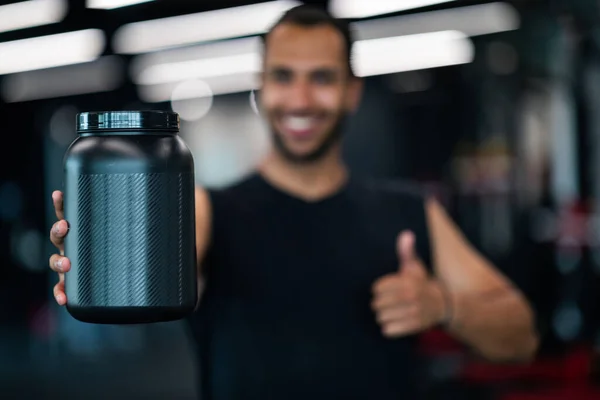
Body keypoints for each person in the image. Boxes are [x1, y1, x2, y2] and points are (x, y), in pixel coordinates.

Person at [48, 5, 539, 400]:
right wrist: (104, 239)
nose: (300, 99)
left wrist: (444, 304)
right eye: (284, 76)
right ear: (263, 86)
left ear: (352, 92)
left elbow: (521, 339)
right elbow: (163, 254)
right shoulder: (206, 210)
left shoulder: (410, 213)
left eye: (322, 78)